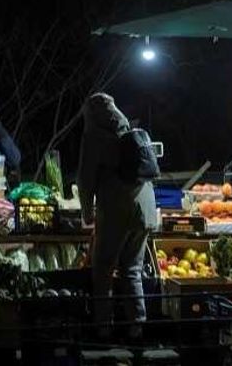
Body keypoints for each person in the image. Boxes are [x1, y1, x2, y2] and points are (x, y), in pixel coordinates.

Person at [78, 92, 157, 341]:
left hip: (116, 210)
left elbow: (85, 179)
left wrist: (86, 212)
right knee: (132, 269)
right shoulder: (130, 132)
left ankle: (103, 328)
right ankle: (136, 327)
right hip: (145, 209)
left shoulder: (94, 136)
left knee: (103, 268)